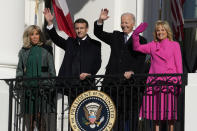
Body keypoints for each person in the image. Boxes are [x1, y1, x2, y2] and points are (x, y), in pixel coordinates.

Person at [94, 8, 147, 131]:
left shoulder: (141, 40)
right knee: (114, 116)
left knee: (131, 117)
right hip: (113, 84)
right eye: (122, 22)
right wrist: (100, 20)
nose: (124, 25)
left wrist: (133, 72)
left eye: (127, 22)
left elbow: (140, 61)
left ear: (133, 24)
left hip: (130, 86)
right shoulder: (116, 36)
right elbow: (99, 33)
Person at [132, 21, 183, 131]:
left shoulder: (175, 45)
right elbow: (136, 47)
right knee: (155, 113)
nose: (160, 32)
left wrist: (179, 82)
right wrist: (135, 34)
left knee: (170, 113)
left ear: (167, 31)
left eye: (162, 30)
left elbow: (178, 64)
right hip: (154, 83)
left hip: (170, 82)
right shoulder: (152, 45)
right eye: (158, 30)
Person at [43, 8, 101, 101]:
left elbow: (97, 63)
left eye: (81, 28)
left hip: (87, 84)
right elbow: (56, 39)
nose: (79, 30)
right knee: (73, 112)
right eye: (77, 28)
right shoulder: (70, 42)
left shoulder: (95, 44)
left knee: (85, 113)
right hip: (71, 86)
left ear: (87, 29)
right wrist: (49, 23)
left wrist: (90, 74)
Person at [16, 25, 56, 131]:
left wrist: (50, 85)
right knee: (30, 119)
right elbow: (20, 70)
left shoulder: (46, 49)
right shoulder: (23, 51)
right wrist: (20, 82)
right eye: (32, 34)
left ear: (40, 36)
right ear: (28, 36)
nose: (34, 37)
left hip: (43, 90)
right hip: (29, 89)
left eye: (37, 34)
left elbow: (52, 71)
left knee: (40, 117)